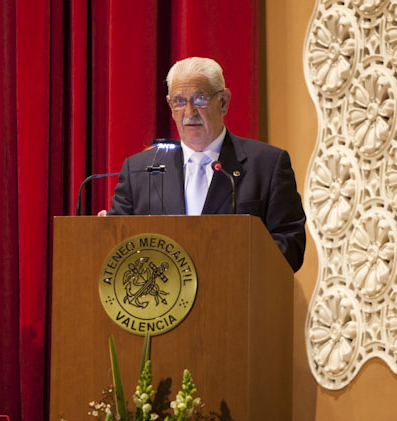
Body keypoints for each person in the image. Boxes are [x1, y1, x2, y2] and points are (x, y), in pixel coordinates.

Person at [106, 57, 306, 272]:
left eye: (200, 99)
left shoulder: (267, 165)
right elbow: (118, 247)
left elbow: (290, 246)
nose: (189, 112)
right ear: (169, 105)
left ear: (223, 102)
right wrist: (104, 232)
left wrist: (229, 264)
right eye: (179, 101)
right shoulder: (139, 170)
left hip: (235, 298)